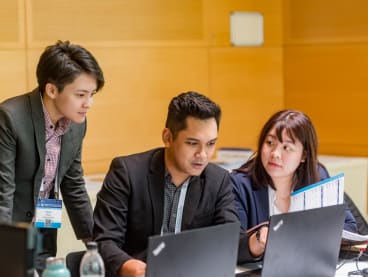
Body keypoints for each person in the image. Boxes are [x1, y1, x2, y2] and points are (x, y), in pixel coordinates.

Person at [93, 91, 242, 277]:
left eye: (211, 143)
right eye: (192, 143)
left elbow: (229, 238)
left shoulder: (218, 180)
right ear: (167, 137)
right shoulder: (127, 173)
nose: (203, 155)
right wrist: (129, 266)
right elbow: (104, 241)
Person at [0, 40, 105, 272]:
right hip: (10, 233)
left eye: (92, 94)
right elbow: (2, 194)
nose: (89, 104)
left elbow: (74, 184)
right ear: (52, 90)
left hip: (45, 231)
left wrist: (97, 246)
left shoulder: (77, 124)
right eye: (81, 95)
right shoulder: (10, 118)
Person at [231, 109, 357, 260]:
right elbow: (231, 247)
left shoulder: (317, 175)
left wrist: (313, 232)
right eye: (270, 142)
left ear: (304, 155)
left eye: (287, 147)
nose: (275, 153)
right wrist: (257, 241)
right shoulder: (239, 184)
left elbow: (349, 227)